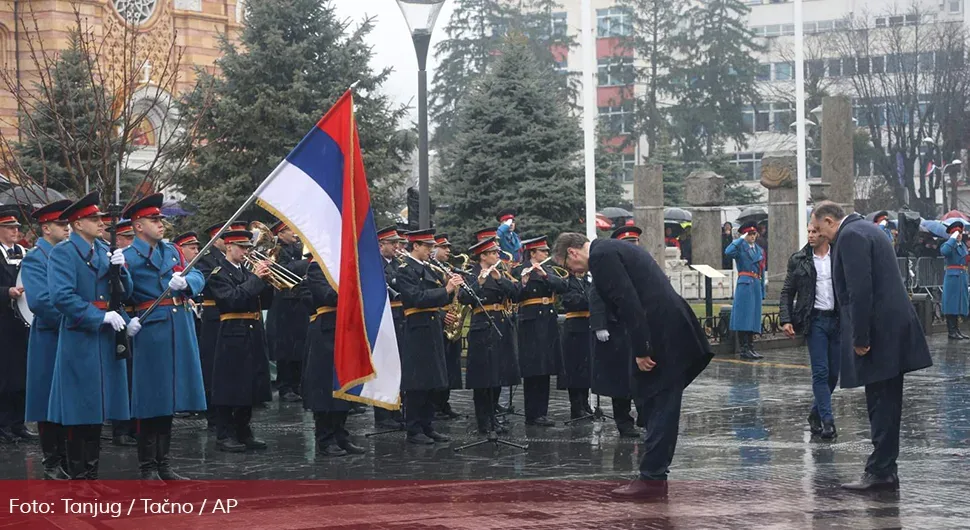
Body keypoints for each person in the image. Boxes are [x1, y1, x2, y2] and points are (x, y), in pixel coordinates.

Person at [553, 232, 713, 499]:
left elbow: (628, 302)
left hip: (661, 334)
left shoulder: (601, 256)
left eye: (568, 266)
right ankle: (654, 476)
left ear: (572, 252)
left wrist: (641, 349)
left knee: (659, 404)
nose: (574, 272)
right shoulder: (610, 249)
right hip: (667, 329)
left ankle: (652, 479)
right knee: (654, 402)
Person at [812, 201, 932, 491]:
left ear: (829, 221)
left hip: (879, 333)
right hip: (892, 328)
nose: (818, 235)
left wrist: (860, 338)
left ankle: (881, 471)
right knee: (887, 402)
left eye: (818, 228)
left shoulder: (850, 236)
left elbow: (860, 290)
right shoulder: (869, 229)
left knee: (881, 404)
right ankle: (884, 468)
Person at [47, 192, 132, 480]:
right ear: (78, 224)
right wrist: (99, 316)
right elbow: (61, 296)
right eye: (93, 218)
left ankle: (90, 476)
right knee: (78, 408)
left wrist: (121, 270)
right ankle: (79, 477)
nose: (101, 223)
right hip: (80, 336)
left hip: (103, 338)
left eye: (100, 218)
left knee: (97, 408)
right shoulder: (64, 253)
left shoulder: (104, 250)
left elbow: (125, 292)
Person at [121, 194, 207, 480]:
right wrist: (126, 321)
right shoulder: (128, 257)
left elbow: (198, 275)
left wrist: (187, 282)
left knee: (169, 398)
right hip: (151, 329)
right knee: (150, 398)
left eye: (160, 219)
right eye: (154, 220)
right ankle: (147, 466)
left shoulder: (172, 251)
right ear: (138, 226)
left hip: (178, 326)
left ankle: (164, 464)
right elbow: (120, 295)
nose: (161, 224)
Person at [207, 229, 274, 452]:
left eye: (247, 247)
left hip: (253, 331)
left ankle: (244, 430)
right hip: (232, 332)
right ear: (229, 247)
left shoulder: (247, 272)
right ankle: (224, 434)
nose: (246, 251)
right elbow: (232, 300)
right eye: (242, 247)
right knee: (230, 384)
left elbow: (265, 303)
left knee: (251, 383)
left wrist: (268, 282)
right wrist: (256, 279)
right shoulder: (218, 273)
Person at [21, 200, 72, 478]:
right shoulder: (36, 258)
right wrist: (75, 320)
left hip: (70, 333)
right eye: (61, 224)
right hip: (50, 335)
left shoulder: (68, 254)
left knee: (68, 397)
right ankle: (53, 462)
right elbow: (40, 301)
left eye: (67, 223)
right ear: (46, 228)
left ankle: (69, 459)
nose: (67, 228)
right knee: (47, 397)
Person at [395, 229, 460, 444]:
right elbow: (417, 298)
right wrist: (446, 290)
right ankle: (414, 429)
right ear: (415, 246)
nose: (430, 251)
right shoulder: (405, 270)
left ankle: (427, 425)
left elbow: (435, 300)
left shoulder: (429, 268)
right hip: (417, 328)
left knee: (432, 380)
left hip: (432, 327)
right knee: (417, 381)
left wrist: (447, 300)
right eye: (427, 247)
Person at [779, 221, 840, 440]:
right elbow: (787, 291)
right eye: (809, 232)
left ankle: (815, 413)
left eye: (815, 232)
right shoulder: (799, 259)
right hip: (814, 321)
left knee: (833, 374)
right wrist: (786, 319)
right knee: (821, 372)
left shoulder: (838, 256)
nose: (811, 235)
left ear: (825, 234)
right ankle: (828, 421)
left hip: (837, 320)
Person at [300, 257, 366, 456]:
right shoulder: (316, 267)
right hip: (326, 333)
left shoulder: (343, 268)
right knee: (325, 387)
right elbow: (330, 296)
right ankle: (325, 438)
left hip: (346, 330)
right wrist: (352, 283)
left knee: (345, 386)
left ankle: (341, 435)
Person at [460, 237, 521, 434]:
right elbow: (463, 298)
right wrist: (479, 282)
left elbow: (516, 294)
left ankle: (493, 417)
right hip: (482, 327)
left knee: (498, 375)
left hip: (500, 326)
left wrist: (499, 279)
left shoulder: (500, 273)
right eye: (493, 253)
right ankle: (483, 421)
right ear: (483, 256)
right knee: (482, 378)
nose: (497, 256)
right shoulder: (471, 274)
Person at [589, 226, 643, 438]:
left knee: (643, 375)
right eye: (629, 243)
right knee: (621, 378)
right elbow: (596, 294)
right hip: (617, 327)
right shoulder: (608, 265)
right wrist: (599, 324)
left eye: (635, 242)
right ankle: (624, 422)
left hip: (639, 327)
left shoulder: (640, 264)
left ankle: (645, 416)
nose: (633, 246)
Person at [512, 236, 568, 427]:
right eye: (542, 251)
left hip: (548, 321)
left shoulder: (549, 269)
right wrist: (524, 281)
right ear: (532, 253)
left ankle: (542, 413)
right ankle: (532, 414)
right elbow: (514, 296)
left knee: (546, 369)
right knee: (532, 369)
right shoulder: (519, 270)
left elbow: (563, 286)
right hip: (530, 323)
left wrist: (544, 275)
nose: (546, 253)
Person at [0, 204, 32, 444]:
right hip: (2, 321)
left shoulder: (24, 252)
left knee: (22, 373)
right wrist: (6, 292)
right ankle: (3, 425)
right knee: (4, 375)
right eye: (9, 227)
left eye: (16, 227)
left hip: (22, 321)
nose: (15, 230)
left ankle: (18, 423)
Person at [265, 220, 306, 402]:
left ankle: (296, 385)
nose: (294, 233)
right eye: (290, 230)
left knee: (299, 346)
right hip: (283, 304)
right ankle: (285, 386)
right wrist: (304, 263)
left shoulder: (298, 249)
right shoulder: (276, 250)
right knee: (285, 347)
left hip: (299, 302)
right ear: (280, 234)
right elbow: (282, 270)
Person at [374, 226, 407, 430]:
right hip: (384, 318)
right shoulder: (374, 264)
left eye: (397, 243)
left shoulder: (398, 264)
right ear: (380, 245)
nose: (397, 247)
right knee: (384, 366)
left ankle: (396, 409)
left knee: (397, 366)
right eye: (392, 243)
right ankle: (383, 413)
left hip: (400, 317)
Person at [432, 233, 463, 420]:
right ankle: (435, 405)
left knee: (450, 365)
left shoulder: (449, 268)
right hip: (438, 317)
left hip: (451, 319)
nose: (448, 251)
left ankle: (444, 402)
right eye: (444, 247)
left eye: (448, 247)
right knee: (438, 364)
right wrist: (443, 315)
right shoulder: (430, 268)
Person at [725, 221, 765, 360]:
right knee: (744, 317)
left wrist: (762, 289)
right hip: (745, 283)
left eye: (754, 234)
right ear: (744, 235)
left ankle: (751, 347)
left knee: (753, 317)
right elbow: (728, 252)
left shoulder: (759, 250)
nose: (752, 236)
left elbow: (761, 270)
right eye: (749, 234)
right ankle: (744, 348)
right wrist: (740, 239)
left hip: (755, 284)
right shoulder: (740, 247)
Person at [559, 263, 592, 419]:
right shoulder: (567, 282)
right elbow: (573, 301)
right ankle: (576, 406)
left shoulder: (587, 281)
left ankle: (585, 403)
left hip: (587, 327)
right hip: (574, 328)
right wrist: (590, 299)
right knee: (575, 369)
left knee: (586, 369)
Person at [939, 219, 969, 340]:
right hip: (953, 278)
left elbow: (965, 259)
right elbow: (944, 251)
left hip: (962, 277)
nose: (959, 235)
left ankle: (956, 330)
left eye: (960, 233)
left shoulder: (962, 245)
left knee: (959, 304)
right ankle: (951, 331)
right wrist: (952, 238)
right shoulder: (948, 245)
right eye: (957, 233)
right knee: (951, 304)